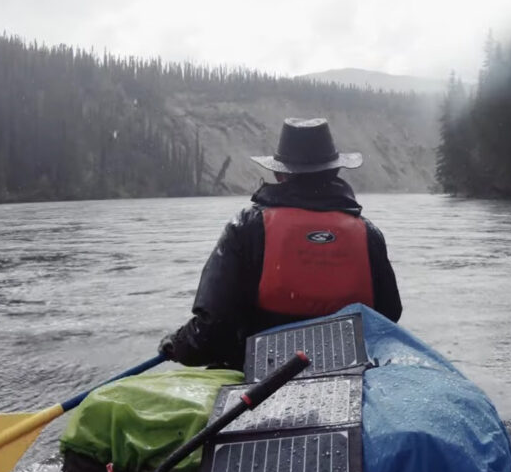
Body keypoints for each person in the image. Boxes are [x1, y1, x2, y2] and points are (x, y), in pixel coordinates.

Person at [158, 118, 402, 369]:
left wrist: (177, 345)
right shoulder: (369, 234)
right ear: (336, 171)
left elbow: (213, 333)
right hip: (349, 373)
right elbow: (388, 316)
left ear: (279, 173)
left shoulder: (245, 227)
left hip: (259, 379)